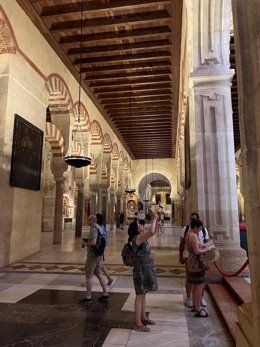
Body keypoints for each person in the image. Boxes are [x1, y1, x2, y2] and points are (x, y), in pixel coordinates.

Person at [128, 215, 158, 332]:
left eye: (141, 224)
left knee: (143, 293)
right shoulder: (137, 238)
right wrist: (154, 218)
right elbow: (151, 231)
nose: (141, 225)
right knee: (140, 295)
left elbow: (152, 232)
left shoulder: (141, 237)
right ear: (135, 229)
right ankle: (138, 323)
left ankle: (143, 317)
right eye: (138, 225)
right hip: (140, 271)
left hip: (144, 270)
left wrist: (155, 221)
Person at [179, 212, 209, 308]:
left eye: (194, 218)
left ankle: (201, 298)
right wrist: (180, 256)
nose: (191, 220)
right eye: (190, 218)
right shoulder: (188, 231)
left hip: (200, 258)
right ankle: (190, 298)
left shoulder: (203, 230)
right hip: (192, 258)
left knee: (200, 281)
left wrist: (208, 249)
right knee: (192, 280)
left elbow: (207, 242)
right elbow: (182, 244)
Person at [185, 218, 214, 317]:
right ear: (196, 227)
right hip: (196, 263)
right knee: (198, 286)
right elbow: (196, 251)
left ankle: (195, 304)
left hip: (191, 262)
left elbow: (195, 247)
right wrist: (207, 249)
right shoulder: (193, 235)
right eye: (200, 228)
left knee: (195, 285)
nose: (200, 230)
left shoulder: (189, 234)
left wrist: (204, 246)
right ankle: (198, 308)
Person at [79, 215, 109, 304]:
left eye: (88, 220)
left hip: (93, 255)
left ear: (92, 221)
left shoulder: (93, 229)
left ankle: (88, 297)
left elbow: (93, 242)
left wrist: (85, 243)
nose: (87, 221)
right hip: (99, 255)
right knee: (99, 274)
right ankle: (105, 293)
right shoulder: (100, 228)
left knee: (89, 275)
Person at [96, 213, 114, 286]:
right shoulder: (102, 226)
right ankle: (109, 278)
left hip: (98, 248)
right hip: (101, 247)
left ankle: (88, 280)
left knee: (95, 265)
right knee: (99, 264)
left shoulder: (97, 228)